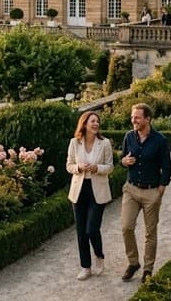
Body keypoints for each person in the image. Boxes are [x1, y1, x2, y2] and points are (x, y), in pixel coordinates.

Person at [119, 103, 171, 283]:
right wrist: (124, 161)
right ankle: (133, 263)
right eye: (132, 117)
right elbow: (122, 159)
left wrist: (161, 190)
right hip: (131, 189)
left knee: (150, 233)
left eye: (137, 117)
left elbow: (166, 167)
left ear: (147, 119)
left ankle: (148, 268)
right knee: (126, 227)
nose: (133, 120)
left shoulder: (160, 140)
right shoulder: (128, 137)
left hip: (151, 192)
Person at [66, 111, 113, 281]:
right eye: (92, 121)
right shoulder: (74, 142)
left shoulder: (105, 143)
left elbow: (109, 167)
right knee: (81, 232)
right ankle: (85, 267)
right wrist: (78, 167)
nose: (96, 124)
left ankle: (99, 256)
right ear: (84, 123)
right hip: (79, 191)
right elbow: (69, 165)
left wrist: (97, 168)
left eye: (97, 122)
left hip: (97, 190)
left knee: (91, 229)